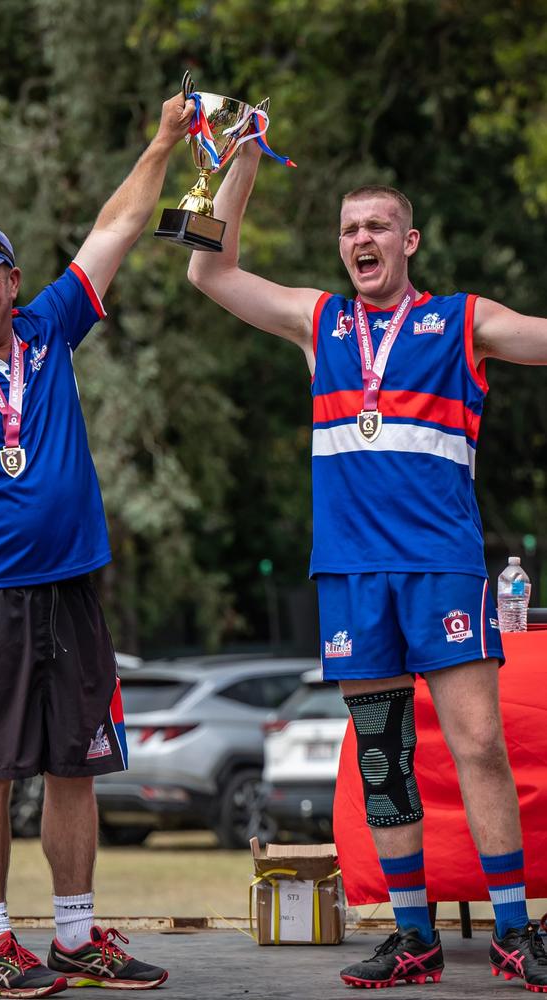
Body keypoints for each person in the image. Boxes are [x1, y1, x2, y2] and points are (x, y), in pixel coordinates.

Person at [187, 137, 547, 990]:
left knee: (478, 747)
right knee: (382, 753)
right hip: (350, 573)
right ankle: (414, 938)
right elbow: (208, 273)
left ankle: (511, 932)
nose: (362, 239)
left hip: (441, 567)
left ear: (408, 241)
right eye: (350, 228)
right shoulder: (319, 322)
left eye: (378, 225)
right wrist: (238, 159)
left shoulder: (461, 320)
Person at [0, 91, 194, 998]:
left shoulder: (53, 328)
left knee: (79, 765)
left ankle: (73, 938)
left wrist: (164, 140)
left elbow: (120, 224)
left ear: (13, 281)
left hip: (73, 589)